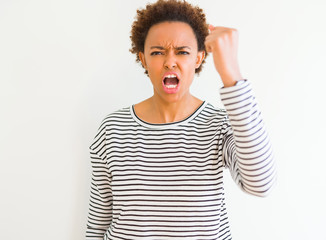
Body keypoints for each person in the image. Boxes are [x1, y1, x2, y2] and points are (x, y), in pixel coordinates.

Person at [85, 0, 276, 239]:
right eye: (157, 52)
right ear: (143, 59)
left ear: (198, 58)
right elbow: (97, 225)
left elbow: (261, 184)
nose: (170, 61)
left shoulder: (219, 126)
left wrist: (231, 73)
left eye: (182, 51)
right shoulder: (112, 129)